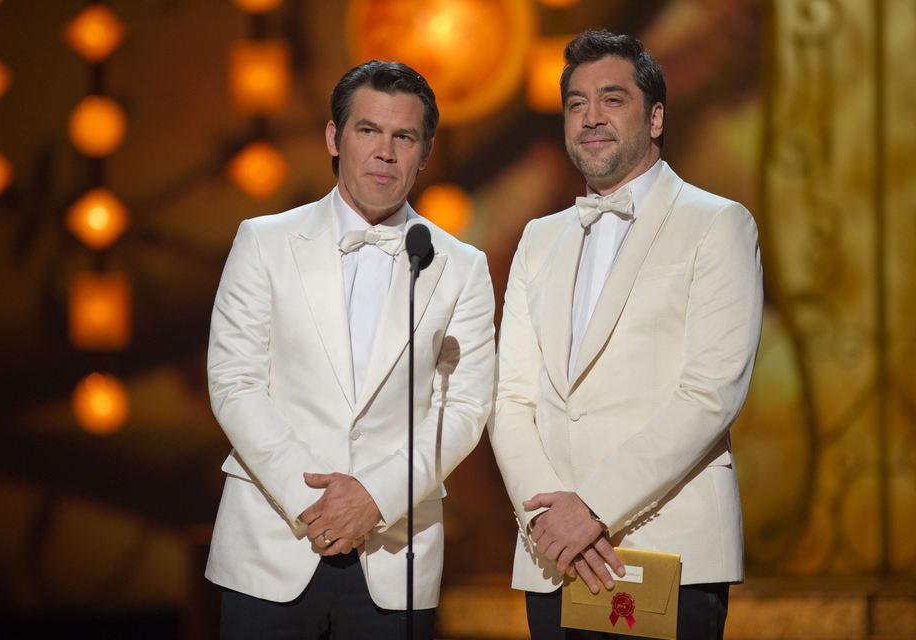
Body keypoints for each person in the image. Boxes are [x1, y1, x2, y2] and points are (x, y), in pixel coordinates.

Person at [205, 60, 495, 639]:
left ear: (425, 151)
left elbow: (464, 410)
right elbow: (234, 383)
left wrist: (374, 498)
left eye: (403, 136)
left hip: (396, 555)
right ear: (335, 138)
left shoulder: (462, 266)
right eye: (368, 130)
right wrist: (316, 506)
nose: (385, 152)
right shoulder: (263, 242)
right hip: (272, 546)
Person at [489, 29, 763, 639]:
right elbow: (510, 399)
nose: (591, 117)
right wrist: (546, 519)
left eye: (612, 99)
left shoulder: (716, 224)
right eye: (576, 103)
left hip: (661, 545)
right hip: (552, 555)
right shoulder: (538, 237)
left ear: (656, 116)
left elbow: (709, 393)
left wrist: (592, 510)